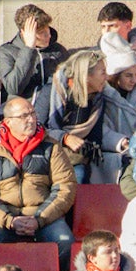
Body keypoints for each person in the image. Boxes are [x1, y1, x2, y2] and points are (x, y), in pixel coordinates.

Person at [36, 49, 124, 183]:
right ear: (86, 76)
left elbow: (96, 137)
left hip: (77, 158)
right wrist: (64, 138)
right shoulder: (52, 92)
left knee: (82, 177)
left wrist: (121, 142)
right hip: (46, 154)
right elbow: (35, 128)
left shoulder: (97, 99)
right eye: (102, 73)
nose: (107, 78)